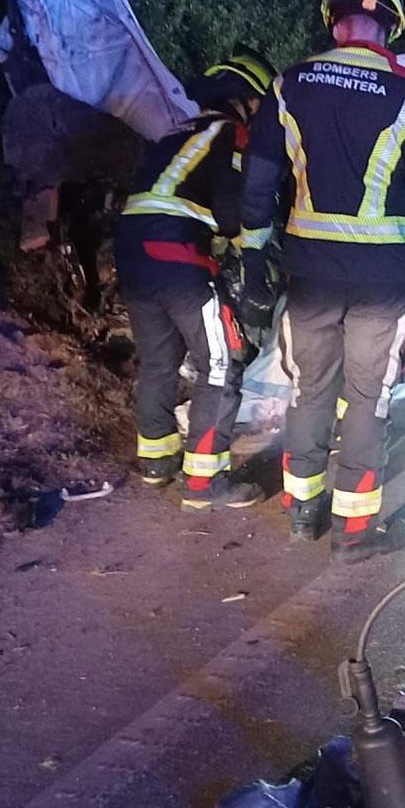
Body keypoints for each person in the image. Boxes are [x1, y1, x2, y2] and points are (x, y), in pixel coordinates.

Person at [239, 0, 405, 560]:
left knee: (309, 392)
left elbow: (258, 180)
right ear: (388, 28)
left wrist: (252, 256)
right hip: (381, 283)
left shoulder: (289, 85)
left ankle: (302, 513)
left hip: (309, 276)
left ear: (334, 23)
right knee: (368, 399)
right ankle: (352, 533)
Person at [115, 46, 276, 509]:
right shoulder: (231, 132)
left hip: (133, 254)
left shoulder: (174, 133)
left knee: (158, 361)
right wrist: (249, 252)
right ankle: (205, 482)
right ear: (246, 100)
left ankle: (156, 462)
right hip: (177, 255)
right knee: (220, 363)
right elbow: (230, 211)